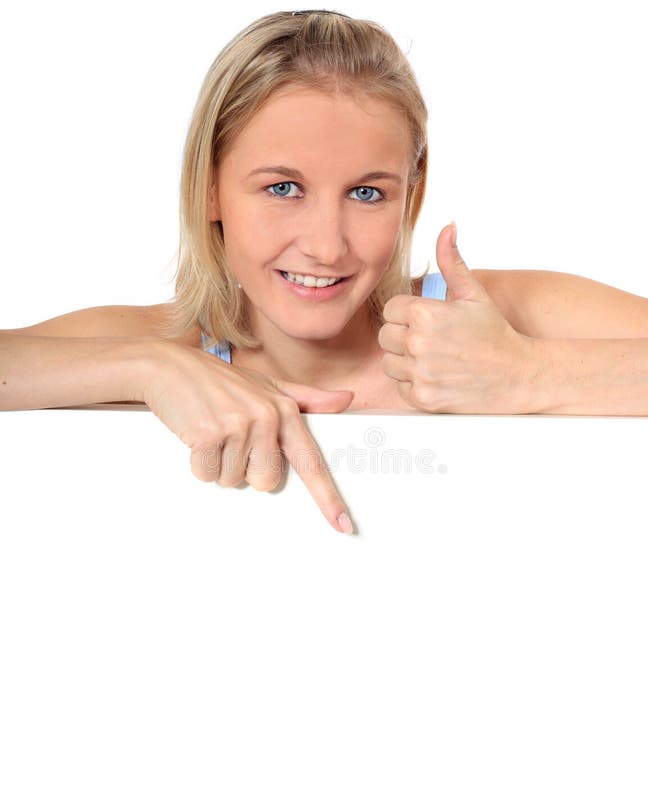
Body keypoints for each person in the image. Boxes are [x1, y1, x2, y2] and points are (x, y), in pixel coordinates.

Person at [2, 9, 648, 535]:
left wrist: (525, 374)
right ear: (209, 190)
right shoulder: (170, 344)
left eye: (368, 194)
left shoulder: (506, 318)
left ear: (409, 200)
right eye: (283, 187)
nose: (326, 247)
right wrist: (146, 368)